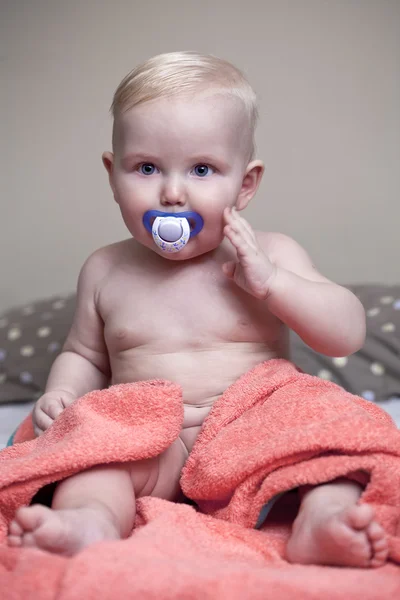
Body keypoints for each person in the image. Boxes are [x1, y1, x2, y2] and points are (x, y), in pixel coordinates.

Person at [7, 51, 388, 567]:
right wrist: (63, 392)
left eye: (202, 169)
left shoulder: (270, 254)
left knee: (326, 437)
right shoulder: (105, 269)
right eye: (146, 167)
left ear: (245, 184)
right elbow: (85, 354)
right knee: (94, 458)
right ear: (112, 174)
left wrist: (274, 285)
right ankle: (90, 522)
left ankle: (322, 521)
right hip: (151, 443)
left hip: (255, 436)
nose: (171, 192)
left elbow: (345, 334)